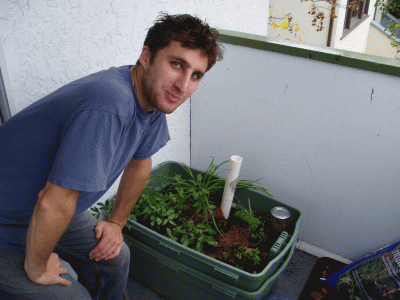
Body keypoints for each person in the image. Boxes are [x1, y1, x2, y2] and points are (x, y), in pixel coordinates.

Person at [0, 13, 224, 299]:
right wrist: (37, 267)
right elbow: (53, 203)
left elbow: (141, 161)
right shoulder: (110, 102)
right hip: (6, 222)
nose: (183, 86)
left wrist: (116, 222)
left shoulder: (152, 100)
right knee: (71, 296)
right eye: (176, 64)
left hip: (39, 212)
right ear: (146, 56)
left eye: (195, 75)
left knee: (115, 258)